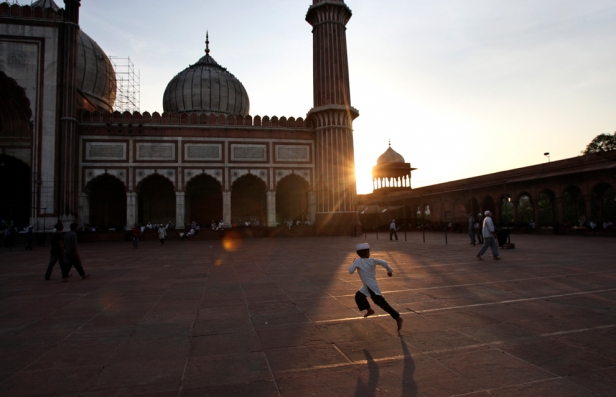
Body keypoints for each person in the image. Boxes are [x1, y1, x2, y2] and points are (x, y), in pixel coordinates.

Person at [349, 243, 403, 331]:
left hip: (371, 287)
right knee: (359, 296)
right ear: (367, 253)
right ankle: (369, 310)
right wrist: (389, 271)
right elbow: (384, 262)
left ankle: (397, 318)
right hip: (367, 286)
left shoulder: (357, 261)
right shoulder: (372, 260)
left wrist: (353, 262)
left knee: (381, 303)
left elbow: (350, 271)